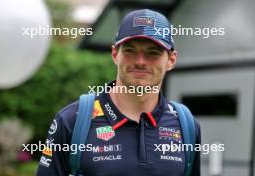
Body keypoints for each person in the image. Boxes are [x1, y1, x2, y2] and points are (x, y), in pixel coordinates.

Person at [36, 9, 201, 176]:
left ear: (171, 60)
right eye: (130, 50)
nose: (140, 61)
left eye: (153, 52)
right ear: (115, 54)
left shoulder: (186, 125)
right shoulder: (72, 120)